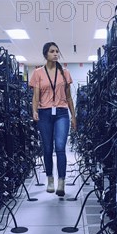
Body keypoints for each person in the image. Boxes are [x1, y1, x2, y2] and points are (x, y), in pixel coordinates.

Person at [29, 42, 76, 196]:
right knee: (47, 148)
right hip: (44, 113)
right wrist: (34, 110)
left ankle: (61, 182)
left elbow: (68, 96)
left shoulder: (65, 72)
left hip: (62, 113)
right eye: (52, 51)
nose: (56, 54)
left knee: (60, 147)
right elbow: (35, 96)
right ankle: (50, 179)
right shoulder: (38, 73)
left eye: (57, 51)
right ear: (45, 54)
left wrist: (73, 116)